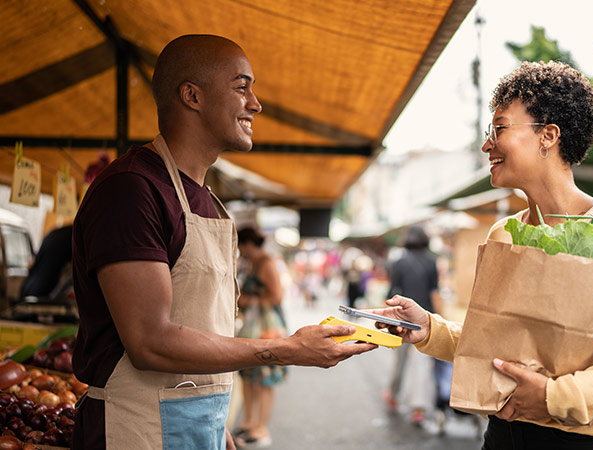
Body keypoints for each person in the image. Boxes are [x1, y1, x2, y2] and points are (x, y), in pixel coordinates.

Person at [71, 34, 376, 450]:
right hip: (134, 429)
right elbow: (150, 343)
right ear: (192, 96)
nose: (256, 103)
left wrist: (216, 424)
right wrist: (286, 350)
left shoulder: (210, 202)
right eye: (241, 86)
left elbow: (198, 327)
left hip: (200, 421)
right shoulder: (131, 189)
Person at [371, 61, 593, 450]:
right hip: (505, 436)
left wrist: (558, 397)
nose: (487, 144)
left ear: (548, 136)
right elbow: (498, 344)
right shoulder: (503, 233)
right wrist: (430, 330)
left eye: (499, 128)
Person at [234, 227, 287, 447]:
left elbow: (277, 297)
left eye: (240, 246)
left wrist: (249, 301)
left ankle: (261, 427)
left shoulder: (266, 263)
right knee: (248, 374)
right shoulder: (253, 263)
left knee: (264, 377)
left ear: (248, 244)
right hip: (254, 325)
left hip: (266, 326)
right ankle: (249, 422)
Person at [382, 225, 439, 425]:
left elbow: (391, 294)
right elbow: (434, 293)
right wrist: (440, 318)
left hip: (402, 319)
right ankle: (418, 408)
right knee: (422, 364)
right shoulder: (432, 262)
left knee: (400, 360)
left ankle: (393, 394)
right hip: (426, 319)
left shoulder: (398, 263)